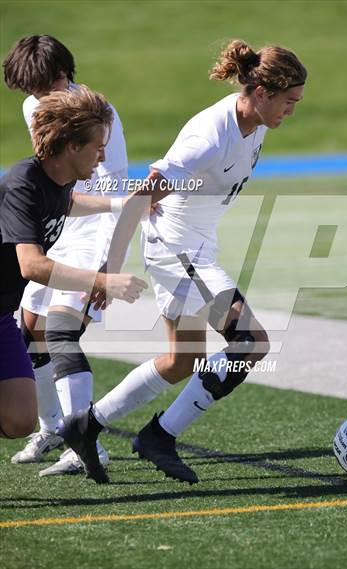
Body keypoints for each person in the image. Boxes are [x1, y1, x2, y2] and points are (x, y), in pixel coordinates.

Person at [58, 39, 306, 484]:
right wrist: (109, 271)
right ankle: (159, 436)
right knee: (251, 342)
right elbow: (139, 199)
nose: (292, 112)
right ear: (263, 92)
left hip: (193, 245)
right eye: (289, 102)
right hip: (178, 252)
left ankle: (85, 425)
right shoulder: (208, 137)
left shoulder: (257, 121)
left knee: (182, 360)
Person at [2, 35, 128, 476]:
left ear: (63, 76)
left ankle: (83, 442)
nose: (37, 99)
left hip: (94, 230)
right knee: (29, 332)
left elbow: (115, 191)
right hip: (57, 224)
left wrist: (107, 267)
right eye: (30, 92)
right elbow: (48, 179)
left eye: (43, 87)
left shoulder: (98, 118)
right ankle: (53, 427)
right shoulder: (34, 106)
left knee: (61, 331)